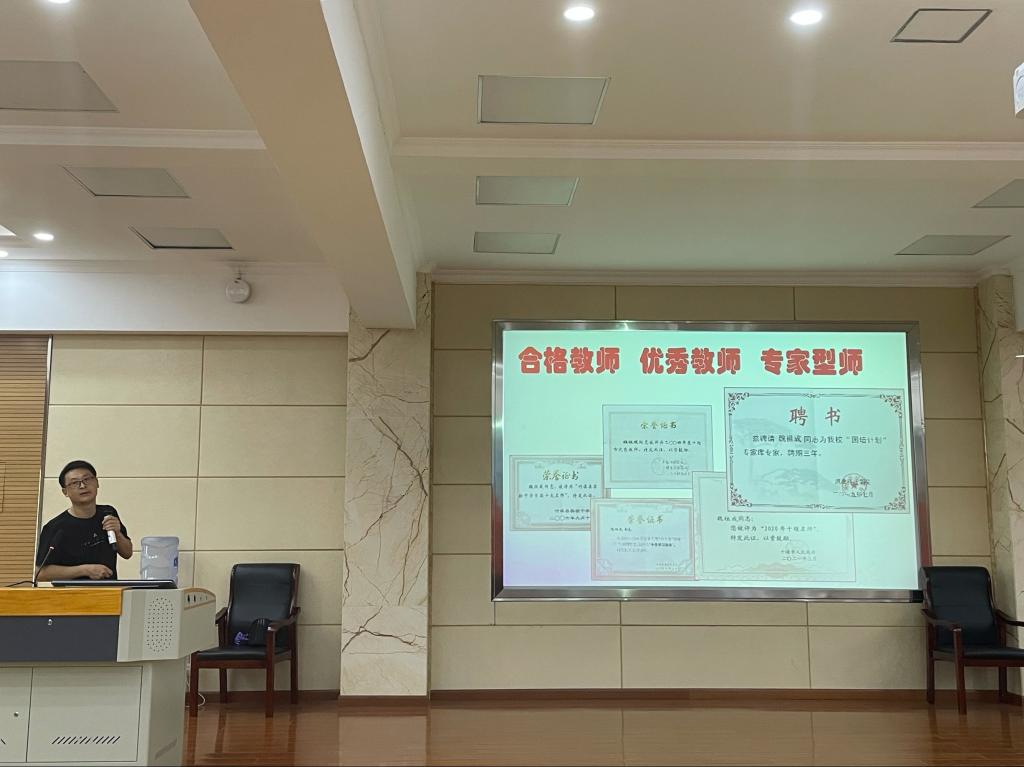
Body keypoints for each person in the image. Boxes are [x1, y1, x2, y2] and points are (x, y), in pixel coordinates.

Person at [35, 460, 132, 581]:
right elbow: (40, 573)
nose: (83, 486)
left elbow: (127, 553)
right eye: (75, 482)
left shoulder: (108, 513)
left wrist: (117, 533)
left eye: (87, 479)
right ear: (65, 492)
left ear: (97, 482)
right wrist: (85, 570)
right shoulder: (56, 527)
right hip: (73, 591)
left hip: (109, 590)